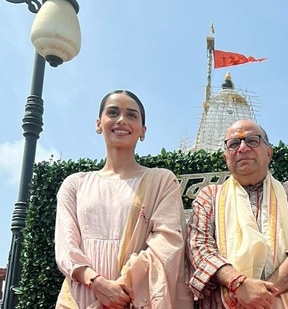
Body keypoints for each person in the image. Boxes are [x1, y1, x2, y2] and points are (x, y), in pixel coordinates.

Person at [54, 90, 194, 308]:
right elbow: (65, 246)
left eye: (131, 115)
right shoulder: (75, 185)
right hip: (80, 296)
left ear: (143, 130)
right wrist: (96, 282)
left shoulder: (161, 181)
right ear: (99, 123)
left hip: (134, 298)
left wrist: (120, 288)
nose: (121, 120)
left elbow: (168, 243)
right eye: (113, 112)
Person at [186, 119, 288, 308]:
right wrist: (239, 285)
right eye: (234, 144)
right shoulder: (208, 197)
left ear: (269, 152)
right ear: (225, 157)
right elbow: (199, 248)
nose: (243, 148)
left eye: (252, 140)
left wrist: (260, 293)